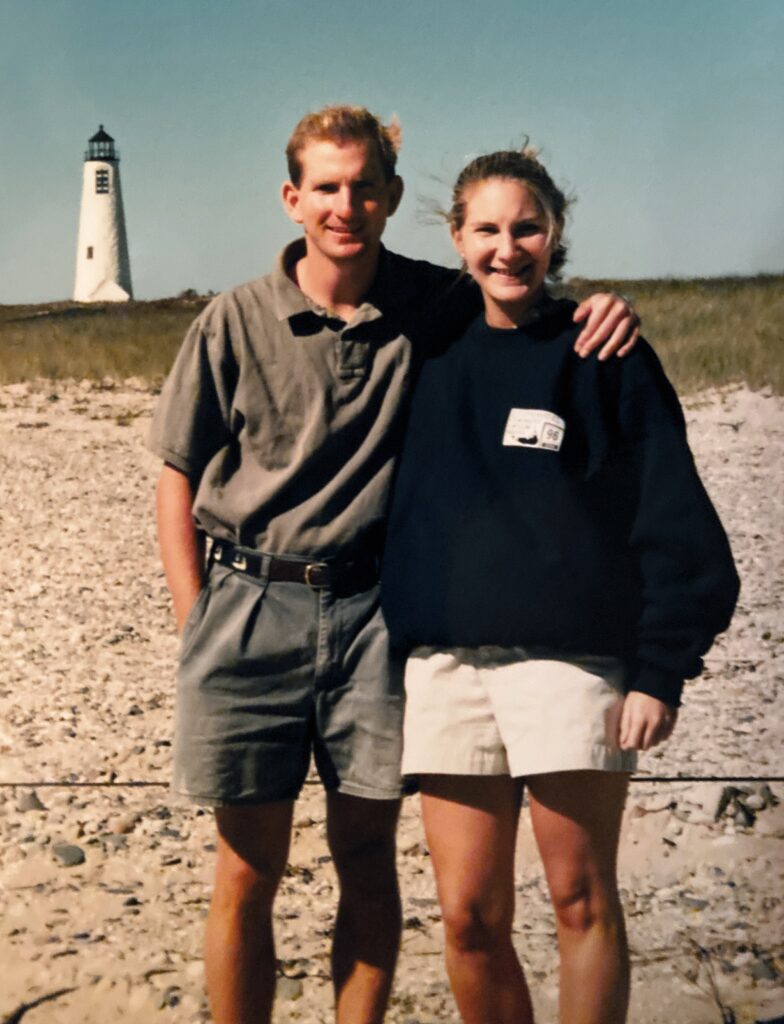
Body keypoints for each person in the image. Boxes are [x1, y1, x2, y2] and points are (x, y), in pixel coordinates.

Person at [149, 107, 640, 1024]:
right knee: (247, 870)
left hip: (376, 614)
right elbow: (177, 475)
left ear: (392, 197)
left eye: (364, 187)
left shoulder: (428, 301)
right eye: (326, 188)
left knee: (367, 858)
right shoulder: (231, 319)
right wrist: (196, 618)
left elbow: (517, 292)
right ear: (292, 199)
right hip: (246, 605)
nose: (346, 205)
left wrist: (605, 307)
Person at [381, 147, 740, 1024]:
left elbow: (680, 526)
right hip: (442, 668)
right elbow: (340, 249)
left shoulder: (603, 350)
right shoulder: (421, 342)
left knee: (581, 900)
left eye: (528, 227)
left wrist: (660, 671)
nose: (509, 248)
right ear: (457, 237)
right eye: (488, 229)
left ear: (557, 235)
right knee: (468, 918)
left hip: (572, 667)